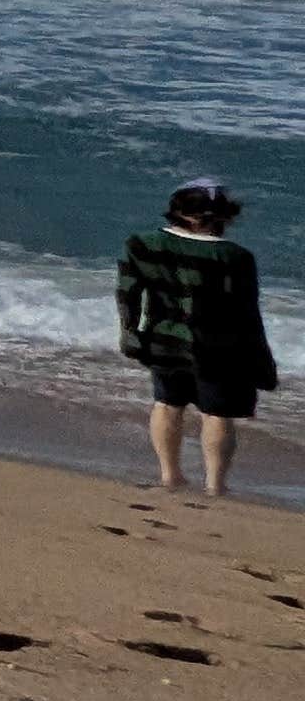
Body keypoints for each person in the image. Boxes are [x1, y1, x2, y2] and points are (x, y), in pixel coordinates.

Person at [116, 178, 275, 501]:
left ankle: (169, 475)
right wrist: (261, 362)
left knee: (167, 404)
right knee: (217, 414)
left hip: (162, 340)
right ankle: (215, 485)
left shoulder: (141, 245)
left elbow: (127, 295)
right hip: (218, 348)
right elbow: (247, 315)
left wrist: (131, 334)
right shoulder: (234, 257)